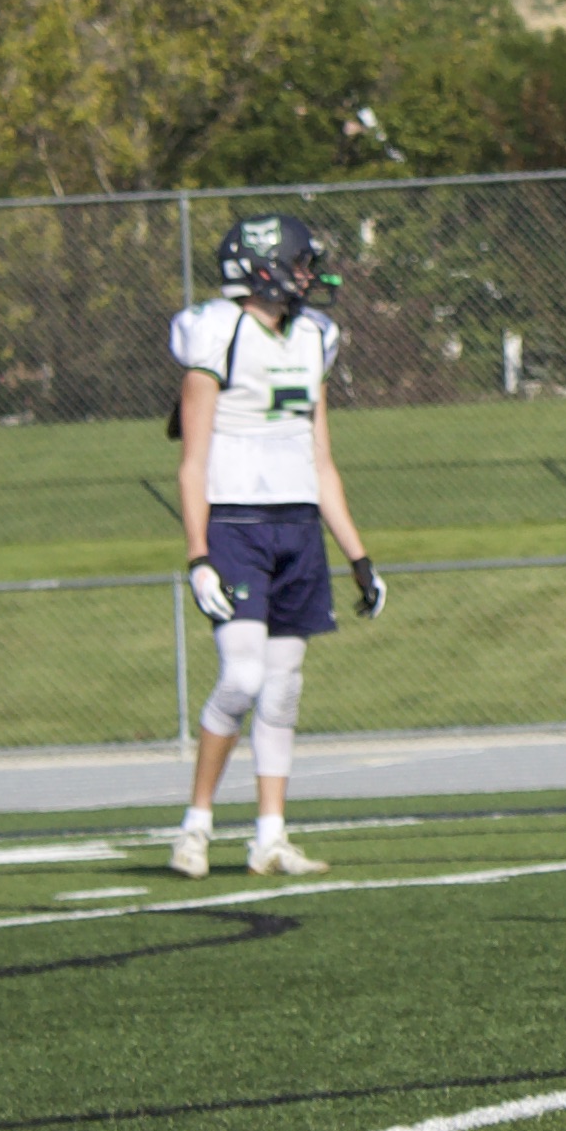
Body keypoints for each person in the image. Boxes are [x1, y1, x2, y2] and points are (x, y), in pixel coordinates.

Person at [166, 216, 385, 881]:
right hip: (233, 527)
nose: (309, 275)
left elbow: (321, 462)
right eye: (299, 263)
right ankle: (195, 827)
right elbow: (191, 460)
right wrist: (198, 554)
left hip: (297, 530)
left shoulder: (313, 337)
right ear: (263, 268)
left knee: (283, 690)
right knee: (242, 677)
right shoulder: (217, 332)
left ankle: (269, 836)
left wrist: (358, 555)